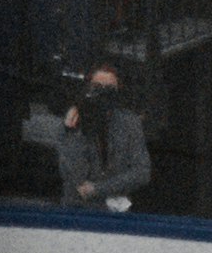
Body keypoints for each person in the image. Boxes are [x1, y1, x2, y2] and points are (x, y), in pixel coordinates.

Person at [54, 61, 152, 212]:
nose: (103, 93)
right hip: (77, 213)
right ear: (88, 88)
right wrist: (74, 132)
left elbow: (142, 173)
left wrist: (98, 189)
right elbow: (75, 177)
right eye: (98, 88)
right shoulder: (73, 121)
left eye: (110, 89)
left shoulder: (130, 123)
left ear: (118, 90)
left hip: (117, 214)